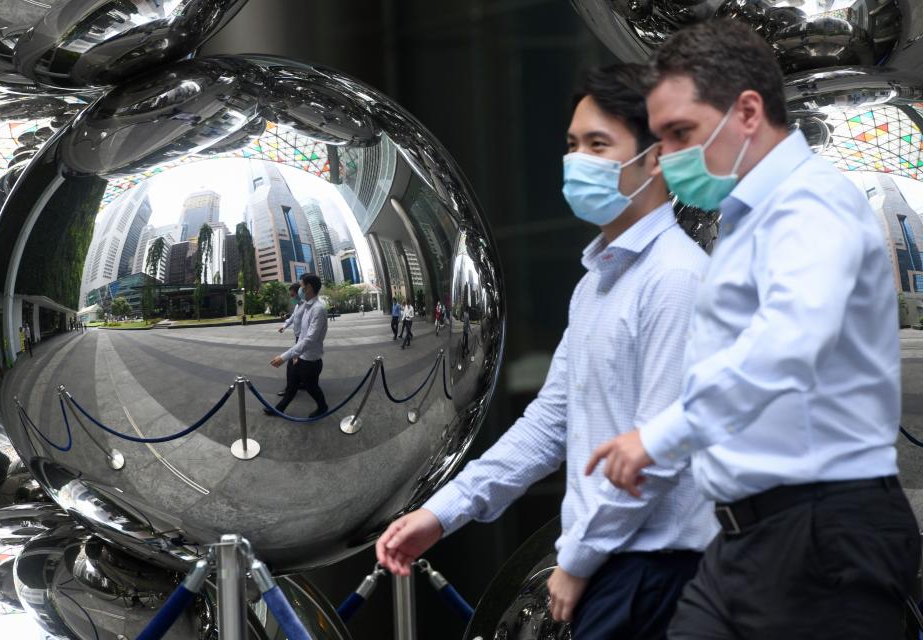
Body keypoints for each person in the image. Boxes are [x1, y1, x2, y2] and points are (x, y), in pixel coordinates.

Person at [585, 21, 920, 640]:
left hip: (821, 537)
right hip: (748, 539)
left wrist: (658, 437)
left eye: (681, 133)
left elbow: (785, 349)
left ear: (745, 111)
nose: (668, 157)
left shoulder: (811, 203)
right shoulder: (748, 215)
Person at [376, 64, 716, 640]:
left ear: (656, 157)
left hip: (659, 576)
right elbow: (549, 424)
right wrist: (444, 512)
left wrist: (579, 560)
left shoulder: (677, 278)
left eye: (599, 145)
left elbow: (656, 452)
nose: (578, 160)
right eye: (572, 144)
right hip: (612, 568)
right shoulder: (597, 284)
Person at [266, 273, 329, 419]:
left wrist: (284, 357)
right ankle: (279, 409)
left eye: (301, 286)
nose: (300, 289)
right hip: (302, 356)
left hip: (311, 361)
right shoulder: (307, 306)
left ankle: (323, 407)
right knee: (292, 386)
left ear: (309, 287)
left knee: (312, 388)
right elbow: (302, 334)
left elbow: (310, 340)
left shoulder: (318, 309)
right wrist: (295, 355)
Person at [277, 283, 305, 397]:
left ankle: (290, 389)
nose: (291, 297)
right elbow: (293, 317)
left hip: (302, 339)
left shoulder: (305, 306)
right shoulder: (298, 305)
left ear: (299, 293)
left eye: (292, 295)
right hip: (298, 337)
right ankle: (303, 383)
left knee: (291, 365)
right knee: (302, 364)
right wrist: (284, 326)